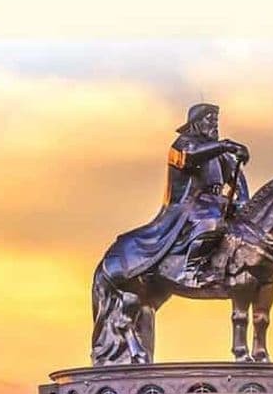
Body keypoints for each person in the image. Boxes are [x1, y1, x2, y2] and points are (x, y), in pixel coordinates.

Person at [99, 103, 250, 286]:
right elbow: (191, 155)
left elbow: (236, 179)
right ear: (196, 123)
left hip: (218, 202)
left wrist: (243, 201)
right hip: (189, 205)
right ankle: (191, 270)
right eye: (210, 120)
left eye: (216, 121)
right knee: (211, 222)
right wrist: (226, 145)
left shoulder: (220, 154)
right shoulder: (183, 145)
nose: (214, 125)